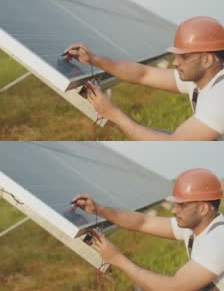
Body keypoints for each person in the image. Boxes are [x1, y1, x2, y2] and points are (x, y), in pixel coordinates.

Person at [63, 16, 224, 140]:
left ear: (206, 60)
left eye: (184, 57)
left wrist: (113, 114)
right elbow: (144, 74)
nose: (175, 62)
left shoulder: (220, 97)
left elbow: (174, 144)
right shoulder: (204, 78)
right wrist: (94, 59)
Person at [72, 168, 224, 290]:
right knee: (144, 284)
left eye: (182, 205)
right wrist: (99, 209)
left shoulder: (218, 240)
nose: (174, 210)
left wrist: (116, 258)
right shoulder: (196, 226)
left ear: (203, 208)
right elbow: (142, 222)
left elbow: (174, 288)